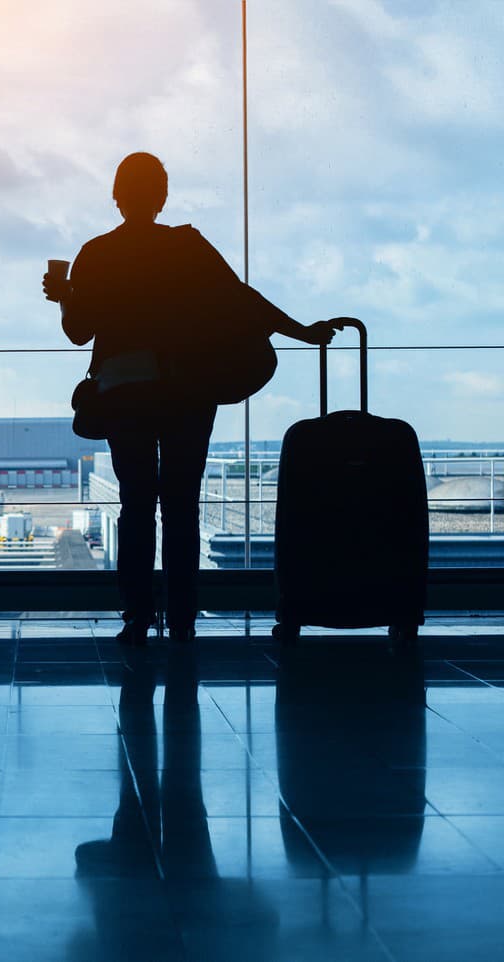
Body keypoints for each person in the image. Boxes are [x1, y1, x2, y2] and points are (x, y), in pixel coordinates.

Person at [43, 152, 336, 644]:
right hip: (187, 392)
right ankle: (182, 618)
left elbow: (77, 332)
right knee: (182, 506)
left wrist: (66, 294)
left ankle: (137, 617)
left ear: (116, 197)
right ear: (162, 196)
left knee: (137, 506)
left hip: (125, 393)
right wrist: (300, 332)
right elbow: (242, 298)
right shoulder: (188, 247)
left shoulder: (96, 254)